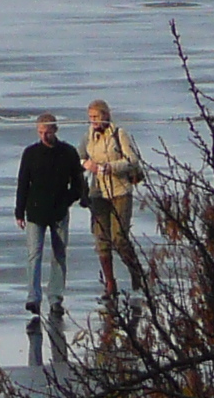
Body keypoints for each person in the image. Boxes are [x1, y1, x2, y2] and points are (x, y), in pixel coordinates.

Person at [15, 113, 85, 318]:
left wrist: (67, 200)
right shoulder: (30, 153)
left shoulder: (68, 153)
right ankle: (33, 298)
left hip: (59, 212)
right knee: (34, 255)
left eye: (47, 132)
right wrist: (19, 211)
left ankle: (55, 298)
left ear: (55, 130)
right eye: (40, 133)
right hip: (35, 211)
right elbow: (22, 184)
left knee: (59, 254)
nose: (44, 136)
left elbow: (78, 184)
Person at [81, 100, 143, 299]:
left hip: (119, 190)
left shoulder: (119, 134)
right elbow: (79, 156)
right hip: (98, 192)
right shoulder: (89, 136)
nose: (94, 121)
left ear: (106, 116)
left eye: (97, 117)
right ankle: (110, 283)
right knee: (101, 238)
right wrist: (87, 164)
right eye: (90, 118)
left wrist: (111, 167)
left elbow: (132, 160)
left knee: (119, 238)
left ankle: (136, 271)